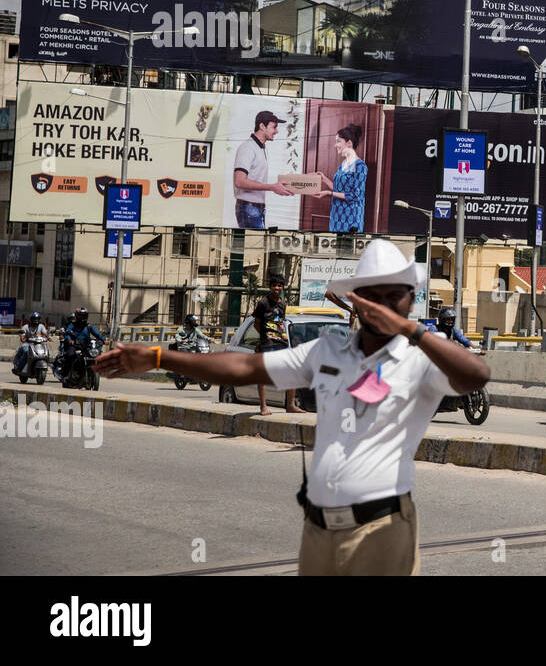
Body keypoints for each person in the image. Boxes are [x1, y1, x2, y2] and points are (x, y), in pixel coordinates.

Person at [93, 239, 491, 576]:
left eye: (394, 297)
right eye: (373, 297)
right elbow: (246, 366)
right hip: (318, 530)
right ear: (356, 300)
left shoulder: (420, 361)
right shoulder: (328, 350)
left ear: (411, 300)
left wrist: (411, 330)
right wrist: (162, 357)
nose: (383, 307)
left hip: (382, 530)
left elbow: (476, 375)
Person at [232, 109, 294, 229]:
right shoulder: (247, 148)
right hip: (249, 209)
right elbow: (239, 181)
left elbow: (258, 177)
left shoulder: (260, 148)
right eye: (274, 127)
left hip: (255, 209)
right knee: (256, 246)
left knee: (257, 246)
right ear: (262, 126)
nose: (276, 131)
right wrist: (272, 187)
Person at [254, 274, 302, 414]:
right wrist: (263, 337)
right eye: (274, 285)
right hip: (267, 343)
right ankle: (263, 406)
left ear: (282, 288)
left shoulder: (283, 304)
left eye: (279, 285)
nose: (277, 288)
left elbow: (280, 322)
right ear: (270, 287)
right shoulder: (263, 303)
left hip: (281, 341)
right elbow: (257, 324)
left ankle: (290, 405)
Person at [316, 123, 368, 234]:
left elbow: (355, 195)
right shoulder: (343, 165)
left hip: (350, 218)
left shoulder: (360, 166)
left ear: (349, 143)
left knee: (346, 249)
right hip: (336, 216)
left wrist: (329, 193)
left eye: (338, 141)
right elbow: (338, 190)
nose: (335, 145)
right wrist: (325, 179)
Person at [58, 308, 104, 381]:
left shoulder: (89, 326)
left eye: (84, 316)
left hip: (86, 346)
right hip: (75, 346)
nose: (82, 318)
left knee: (96, 354)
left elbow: (97, 334)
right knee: (70, 355)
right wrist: (70, 340)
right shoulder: (72, 325)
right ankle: (66, 374)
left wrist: (104, 340)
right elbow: (67, 333)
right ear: (77, 316)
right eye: (80, 316)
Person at [13, 312, 48, 377]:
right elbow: (22, 334)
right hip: (27, 344)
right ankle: (19, 368)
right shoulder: (25, 327)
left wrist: (47, 337)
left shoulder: (41, 326)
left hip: (38, 345)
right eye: (34, 319)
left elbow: (45, 333)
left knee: (45, 351)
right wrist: (23, 337)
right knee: (26, 352)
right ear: (31, 319)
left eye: (37, 319)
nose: (36, 320)